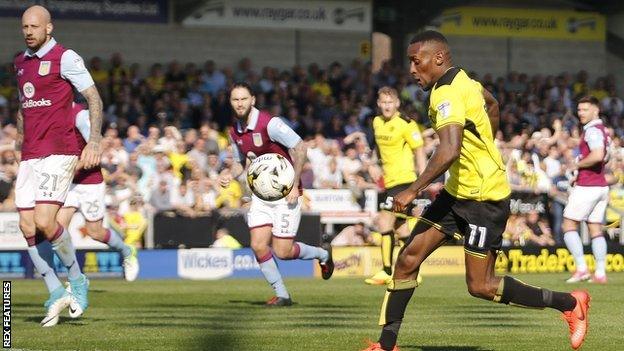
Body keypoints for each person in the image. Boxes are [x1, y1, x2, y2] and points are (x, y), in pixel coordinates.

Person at [362, 31, 589, 351]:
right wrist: (486, 144)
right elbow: (492, 103)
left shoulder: (445, 94)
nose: (412, 69)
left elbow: (449, 150)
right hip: (457, 193)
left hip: (485, 198)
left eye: (417, 60)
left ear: (438, 58)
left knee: (481, 286)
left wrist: (412, 190)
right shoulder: (465, 80)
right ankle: (385, 346)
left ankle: (569, 302)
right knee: (408, 258)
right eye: (410, 62)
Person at [14, 5, 102, 327]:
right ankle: (54, 290)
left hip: (59, 151)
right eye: (24, 26)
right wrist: (19, 137)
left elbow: (93, 97)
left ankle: (77, 281)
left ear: (49, 28)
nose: (28, 31)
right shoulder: (20, 62)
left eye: (35, 26)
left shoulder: (66, 57)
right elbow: (24, 105)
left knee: (44, 220)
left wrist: (94, 140)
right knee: (26, 226)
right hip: (31, 153)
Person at [221, 82, 334, 306]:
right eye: (235, 99)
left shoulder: (269, 123)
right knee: (258, 245)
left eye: (244, 99)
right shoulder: (235, 131)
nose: (240, 103)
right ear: (230, 102)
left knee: (283, 251)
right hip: (260, 196)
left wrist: (293, 184)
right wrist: (228, 174)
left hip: (285, 194)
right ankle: (282, 294)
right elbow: (239, 164)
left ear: (252, 99)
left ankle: (322, 254)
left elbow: (300, 147)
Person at [56, 104, 139, 282]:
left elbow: (96, 149)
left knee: (95, 232)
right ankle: (75, 278)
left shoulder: (79, 114)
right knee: (58, 229)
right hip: (68, 184)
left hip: (89, 183)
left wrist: (70, 170)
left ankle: (126, 251)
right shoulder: (49, 111)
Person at [365, 86, 426, 285]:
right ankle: (413, 270)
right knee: (401, 229)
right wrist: (373, 165)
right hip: (390, 182)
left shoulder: (407, 124)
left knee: (384, 221)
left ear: (397, 103)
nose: (387, 106)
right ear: (378, 103)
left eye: (390, 102)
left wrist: (422, 180)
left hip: (405, 182)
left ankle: (386, 270)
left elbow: (419, 151)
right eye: (383, 102)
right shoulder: (376, 122)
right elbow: (377, 150)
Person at [562, 96, 611, 284]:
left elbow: (598, 155)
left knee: (568, 225)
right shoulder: (603, 130)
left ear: (595, 110)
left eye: (584, 109)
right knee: (595, 228)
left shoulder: (592, 130)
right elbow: (605, 157)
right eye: (579, 109)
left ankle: (582, 269)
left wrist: (577, 165)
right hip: (600, 185)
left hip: (588, 186)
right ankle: (600, 273)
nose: (580, 113)